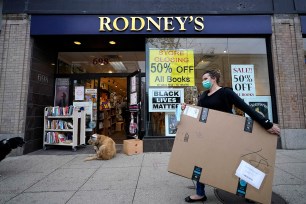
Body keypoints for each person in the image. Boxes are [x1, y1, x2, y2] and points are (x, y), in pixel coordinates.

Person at [182, 69, 280, 203]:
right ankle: (200, 193)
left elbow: (246, 108)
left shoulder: (226, 92)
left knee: (237, 162)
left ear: (214, 78)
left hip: (227, 135)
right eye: (203, 79)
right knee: (201, 160)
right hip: (208, 135)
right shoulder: (203, 95)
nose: (203, 81)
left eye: (205, 79)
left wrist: (266, 124)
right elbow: (199, 113)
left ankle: (250, 192)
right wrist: (186, 108)